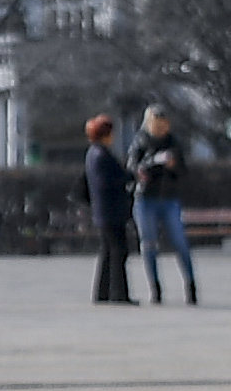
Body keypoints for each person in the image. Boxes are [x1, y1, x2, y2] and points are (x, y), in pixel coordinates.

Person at [132, 103, 199, 305]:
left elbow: (183, 172)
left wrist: (173, 166)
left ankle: (190, 285)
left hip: (169, 198)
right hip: (146, 198)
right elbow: (133, 167)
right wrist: (150, 163)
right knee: (149, 243)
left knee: (180, 242)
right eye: (157, 125)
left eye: (164, 125)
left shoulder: (173, 142)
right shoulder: (140, 141)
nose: (161, 129)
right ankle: (155, 288)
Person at [84, 113, 136, 306]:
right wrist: (128, 176)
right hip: (111, 211)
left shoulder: (93, 153)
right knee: (119, 251)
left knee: (107, 252)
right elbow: (109, 180)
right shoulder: (101, 156)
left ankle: (102, 292)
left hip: (103, 211)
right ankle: (119, 293)